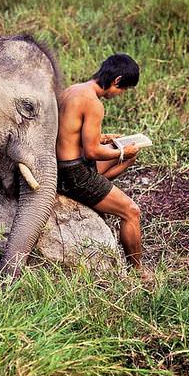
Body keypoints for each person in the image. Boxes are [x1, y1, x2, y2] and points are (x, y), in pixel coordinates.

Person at [55, 54, 145, 271]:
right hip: (74, 173)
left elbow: (70, 133)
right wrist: (123, 150)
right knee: (132, 212)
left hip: (61, 166)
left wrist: (104, 139)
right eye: (123, 90)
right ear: (117, 81)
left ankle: (99, 190)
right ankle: (139, 271)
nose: (120, 95)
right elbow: (93, 152)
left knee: (127, 154)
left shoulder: (72, 90)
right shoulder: (94, 104)